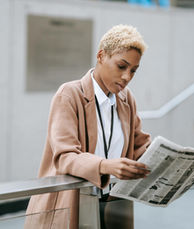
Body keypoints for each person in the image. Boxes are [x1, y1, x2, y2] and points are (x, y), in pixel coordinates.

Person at [25, 24, 151, 229]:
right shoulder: (69, 94)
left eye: (133, 70)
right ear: (101, 56)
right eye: (122, 66)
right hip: (73, 204)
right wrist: (105, 166)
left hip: (114, 207)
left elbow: (141, 148)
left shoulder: (127, 99)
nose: (127, 76)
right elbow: (65, 157)